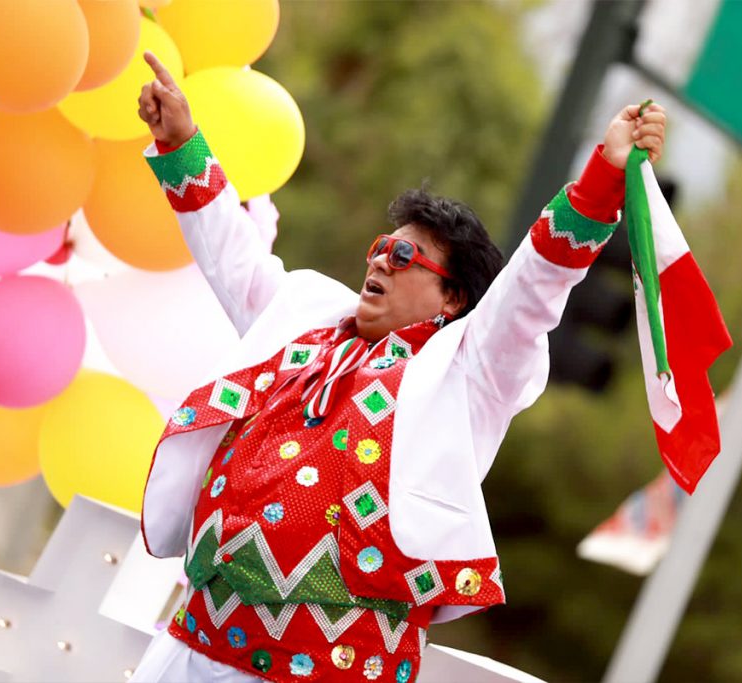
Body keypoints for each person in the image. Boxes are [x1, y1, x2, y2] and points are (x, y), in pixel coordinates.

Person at [129, 51, 665, 683]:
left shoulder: (471, 372)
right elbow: (232, 255)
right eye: (382, 247)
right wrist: (182, 145)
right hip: (190, 645)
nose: (381, 260)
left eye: (404, 256)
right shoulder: (304, 313)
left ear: (452, 297)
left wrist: (602, 177)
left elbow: (533, 287)